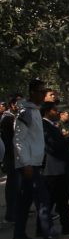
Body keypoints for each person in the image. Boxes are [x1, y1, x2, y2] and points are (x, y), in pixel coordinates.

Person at [13, 79, 57, 239]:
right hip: (29, 164)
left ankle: (19, 234)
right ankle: (49, 234)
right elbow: (19, 139)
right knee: (43, 199)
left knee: (26, 201)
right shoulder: (26, 113)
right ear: (32, 93)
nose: (43, 94)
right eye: (40, 91)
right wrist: (26, 163)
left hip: (34, 162)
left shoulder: (35, 111)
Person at [41, 102, 69, 236]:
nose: (57, 113)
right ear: (48, 111)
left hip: (57, 166)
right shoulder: (45, 126)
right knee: (56, 198)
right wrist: (67, 140)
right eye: (55, 111)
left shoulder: (50, 125)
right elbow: (52, 146)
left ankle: (65, 226)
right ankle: (49, 229)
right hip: (53, 167)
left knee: (59, 198)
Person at [1, 95, 21, 223]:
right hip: (11, 156)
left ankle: (15, 211)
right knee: (13, 184)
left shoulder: (12, 117)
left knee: (17, 185)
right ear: (12, 104)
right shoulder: (8, 119)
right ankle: (10, 214)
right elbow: (9, 140)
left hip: (14, 155)